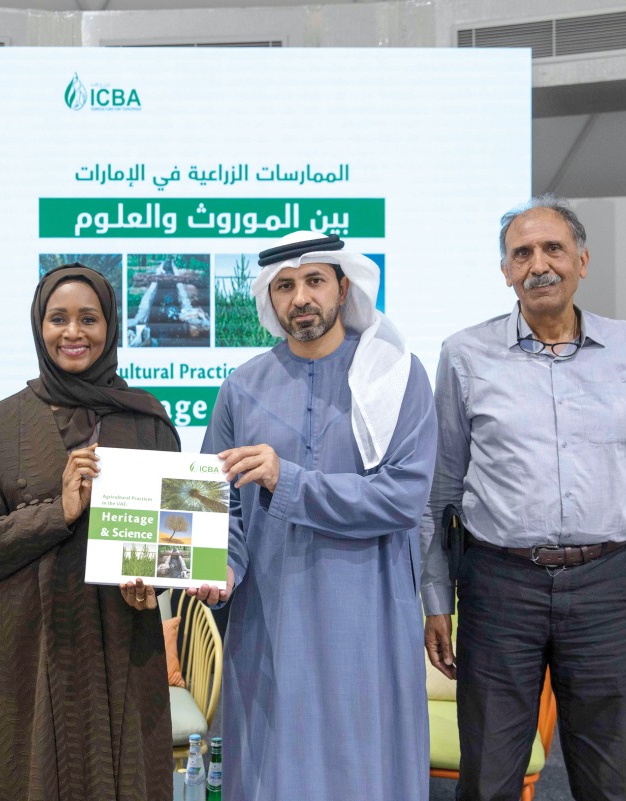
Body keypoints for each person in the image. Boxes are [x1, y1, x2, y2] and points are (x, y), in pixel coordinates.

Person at [421, 195, 626, 801]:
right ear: (506, 271)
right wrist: (436, 599)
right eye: (522, 254)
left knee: (608, 779)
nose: (538, 264)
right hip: (498, 585)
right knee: (488, 776)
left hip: (607, 584)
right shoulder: (464, 354)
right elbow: (441, 489)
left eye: (553, 249)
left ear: (582, 262)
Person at [189, 231, 438, 800]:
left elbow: (403, 496)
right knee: (277, 768)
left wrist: (290, 479)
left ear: (343, 288)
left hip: (369, 615)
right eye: (284, 286)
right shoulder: (241, 387)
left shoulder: (396, 376)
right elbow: (217, 505)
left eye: (315, 281)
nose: (300, 297)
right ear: (270, 299)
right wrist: (220, 567)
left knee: (365, 767)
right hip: (273, 617)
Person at [0, 264, 180, 801]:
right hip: (25, 649)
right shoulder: (2, 424)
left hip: (122, 645)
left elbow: (172, 544)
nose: (73, 332)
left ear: (110, 326)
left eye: (88, 319)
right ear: (39, 326)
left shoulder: (148, 422)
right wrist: (60, 512)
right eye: (58, 319)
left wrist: (152, 585)